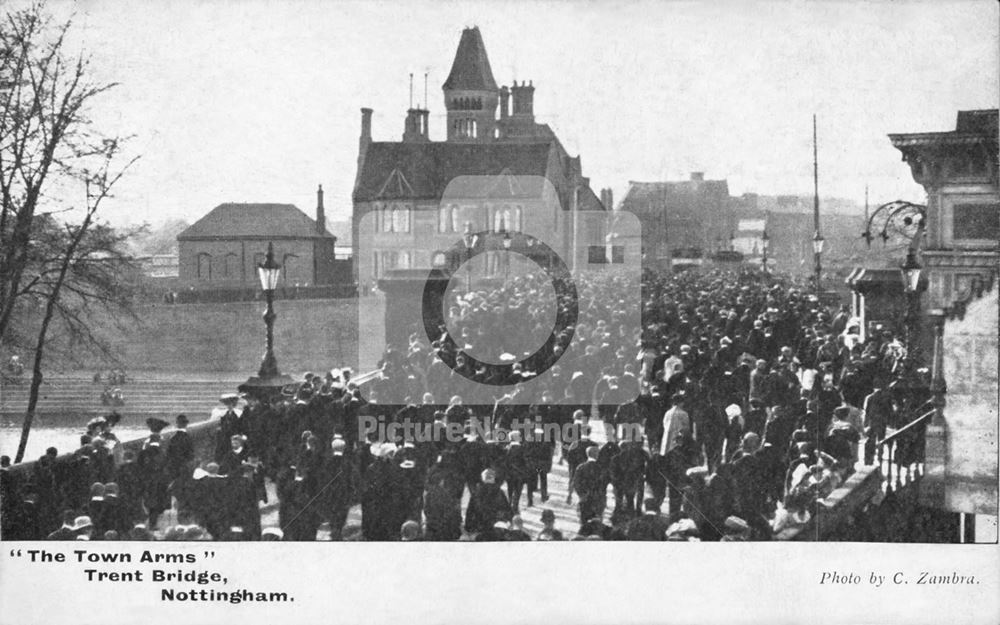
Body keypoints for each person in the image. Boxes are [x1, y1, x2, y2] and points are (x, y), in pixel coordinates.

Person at [464, 468, 511, 535]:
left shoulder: (476, 492)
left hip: (479, 528)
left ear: (483, 479)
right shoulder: (499, 492)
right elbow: (507, 510)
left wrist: (468, 527)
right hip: (496, 527)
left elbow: (470, 511)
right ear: (493, 479)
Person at [573, 446, 606, 526]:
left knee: (584, 523)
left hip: (585, 499)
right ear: (596, 455)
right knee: (597, 524)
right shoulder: (601, 468)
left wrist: (581, 495)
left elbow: (576, 483)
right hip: (598, 500)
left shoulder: (581, 467)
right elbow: (603, 484)